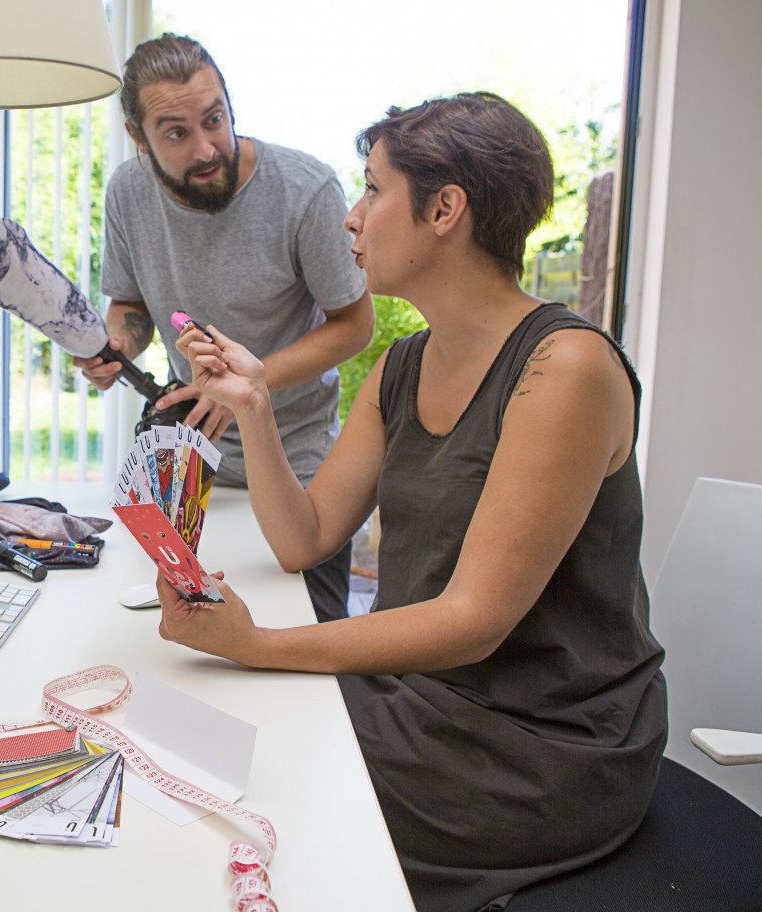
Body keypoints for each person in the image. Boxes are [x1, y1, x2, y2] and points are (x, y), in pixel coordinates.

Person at [159, 92, 667, 912]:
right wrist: (252, 403)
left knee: (234, 802)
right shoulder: (403, 366)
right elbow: (306, 539)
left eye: (371, 190)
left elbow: (474, 621)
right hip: (421, 700)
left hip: (538, 745)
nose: (352, 219)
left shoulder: (565, 368)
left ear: (444, 209)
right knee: (206, 740)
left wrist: (256, 642)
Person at [74, 34, 374, 622]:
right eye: (177, 132)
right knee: (176, 648)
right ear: (139, 138)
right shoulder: (127, 194)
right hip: (185, 468)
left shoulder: (305, 190)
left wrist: (244, 389)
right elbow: (128, 305)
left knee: (306, 661)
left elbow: (354, 326)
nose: (207, 146)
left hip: (296, 470)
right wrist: (116, 346)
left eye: (215, 119)